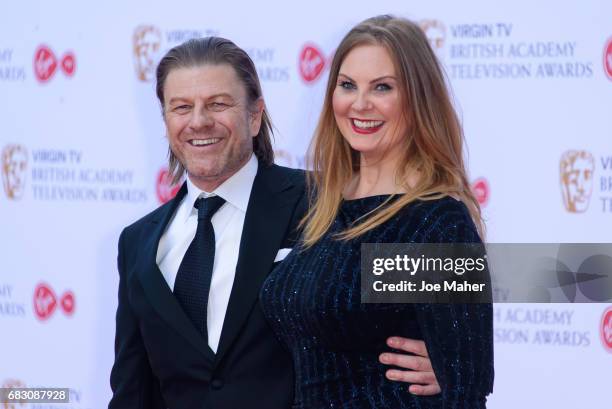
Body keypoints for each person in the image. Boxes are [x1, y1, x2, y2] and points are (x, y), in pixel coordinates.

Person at [109, 36, 442, 409]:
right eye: (181, 108)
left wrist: (452, 359)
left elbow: (455, 265)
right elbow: (132, 391)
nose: (199, 122)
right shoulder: (137, 243)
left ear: (254, 115)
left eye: (218, 104)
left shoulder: (326, 202)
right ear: (167, 120)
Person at [260, 15, 494, 408]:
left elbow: (467, 385)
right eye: (347, 85)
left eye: (382, 87)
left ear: (418, 99)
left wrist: (452, 372)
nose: (360, 103)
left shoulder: (432, 222)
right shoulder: (321, 204)